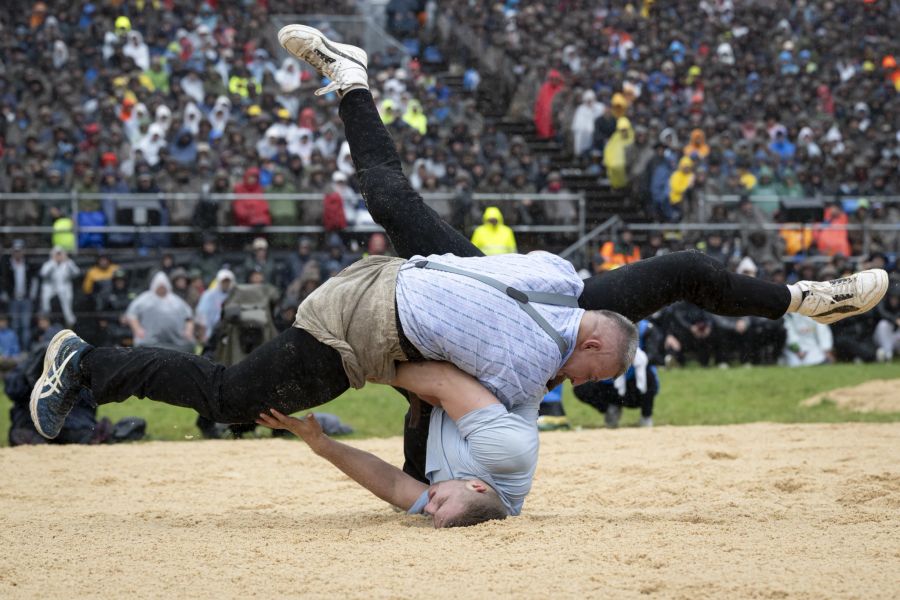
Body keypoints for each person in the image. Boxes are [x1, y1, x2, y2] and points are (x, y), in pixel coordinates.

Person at [33, 25, 891, 528]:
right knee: (232, 393)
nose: (577, 386)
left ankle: (351, 79)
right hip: (431, 305)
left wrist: (420, 478)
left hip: (459, 282)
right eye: (592, 372)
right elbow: (436, 382)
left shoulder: (552, 332)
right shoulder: (561, 337)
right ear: (592, 345)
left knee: (389, 195)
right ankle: (86, 363)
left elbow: (442, 393)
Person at [123, 272, 195, 352]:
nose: (161, 288)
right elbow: (131, 314)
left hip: (176, 342)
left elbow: (189, 317)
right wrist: (137, 329)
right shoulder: (144, 299)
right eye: (159, 286)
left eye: (163, 286)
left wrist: (188, 331)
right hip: (149, 342)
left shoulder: (176, 300)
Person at [38, 246, 80, 327]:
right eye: (56, 254)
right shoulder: (49, 263)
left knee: (67, 307)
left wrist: (67, 260)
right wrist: (53, 262)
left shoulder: (67, 263)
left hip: (64, 287)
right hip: (50, 287)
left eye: (60, 254)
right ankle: (46, 321)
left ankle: (70, 323)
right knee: (46, 303)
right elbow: (43, 273)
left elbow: (76, 272)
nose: (58, 256)